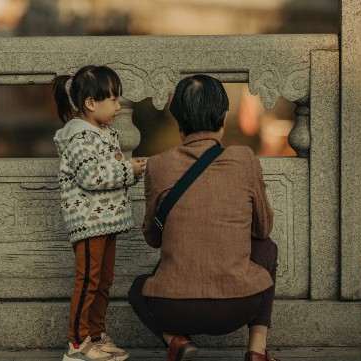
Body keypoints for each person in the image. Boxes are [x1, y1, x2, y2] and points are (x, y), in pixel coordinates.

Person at [128, 74, 279, 361]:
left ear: (178, 121)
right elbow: (264, 227)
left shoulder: (157, 165)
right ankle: (257, 351)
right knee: (267, 247)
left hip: (172, 309)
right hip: (239, 307)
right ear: (223, 117)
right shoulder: (245, 159)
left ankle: (178, 340)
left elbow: (152, 238)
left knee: (138, 288)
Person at [53, 65, 146, 361]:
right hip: (89, 222)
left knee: (103, 280)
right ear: (91, 103)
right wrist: (126, 168)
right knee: (88, 281)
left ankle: (96, 335)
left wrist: (132, 172)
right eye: (114, 100)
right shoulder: (80, 137)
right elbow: (91, 176)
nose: (119, 107)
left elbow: (110, 173)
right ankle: (78, 343)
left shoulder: (103, 133)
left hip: (106, 222)